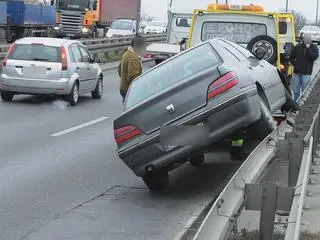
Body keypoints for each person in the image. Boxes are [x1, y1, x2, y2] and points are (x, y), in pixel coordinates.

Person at [290, 33, 319, 101]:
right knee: (296, 91)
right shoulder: (297, 47)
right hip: (297, 73)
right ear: (303, 39)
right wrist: (295, 64)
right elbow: (291, 57)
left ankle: (302, 104)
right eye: (305, 39)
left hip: (306, 73)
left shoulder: (314, 47)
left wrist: (308, 48)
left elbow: (313, 57)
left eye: (308, 39)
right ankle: (296, 104)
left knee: (305, 91)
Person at [118, 36, 146, 103]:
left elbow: (119, 69)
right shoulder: (133, 58)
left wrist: (123, 79)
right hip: (130, 90)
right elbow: (132, 77)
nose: (144, 48)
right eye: (144, 46)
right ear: (139, 46)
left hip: (124, 88)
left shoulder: (126, 54)